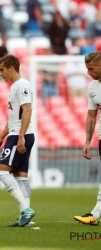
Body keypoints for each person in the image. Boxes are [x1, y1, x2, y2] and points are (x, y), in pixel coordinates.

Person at [0, 55, 35, 227]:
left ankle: (26, 209)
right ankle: (25, 218)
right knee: (21, 177)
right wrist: (1, 136)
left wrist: (21, 136)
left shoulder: (22, 85)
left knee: (2, 172)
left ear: (11, 68)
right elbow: (13, 117)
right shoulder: (14, 87)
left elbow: (27, 111)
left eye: (2, 70)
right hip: (17, 134)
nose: (0, 74)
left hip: (20, 135)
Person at [74, 51, 101, 226]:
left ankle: (95, 214)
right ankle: (95, 215)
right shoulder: (92, 88)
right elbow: (91, 116)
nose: (88, 72)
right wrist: (87, 140)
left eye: (91, 68)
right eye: (86, 68)